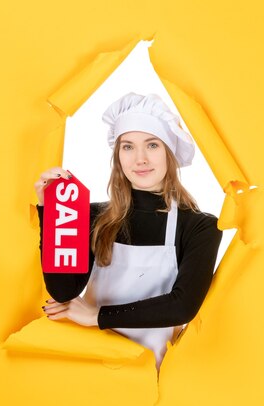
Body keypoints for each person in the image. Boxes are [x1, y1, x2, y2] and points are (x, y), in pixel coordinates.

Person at [34, 93, 223, 370]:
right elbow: (63, 290)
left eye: (152, 145)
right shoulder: (93, 216)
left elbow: (182, 306)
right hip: (89, 364)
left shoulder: (199, 226)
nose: (140, 159)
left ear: (169, 153)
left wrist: (98, 316)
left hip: (149, 373)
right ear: (118, 155)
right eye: (128, 147)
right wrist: (52, 212)